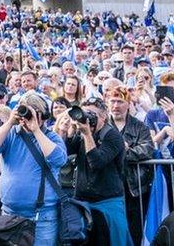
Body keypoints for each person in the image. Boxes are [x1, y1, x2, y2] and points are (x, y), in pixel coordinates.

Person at [0, 92, 67, 245]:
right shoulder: (11, 135)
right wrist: (9, 123)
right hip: (10, 213)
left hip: (42, 216)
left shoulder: (52, 137)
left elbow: (59, 159)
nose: (28, 117)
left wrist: (36, 130)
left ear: (44, 116)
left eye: (34, 113)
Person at [57, 98, 134, 246]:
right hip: (83, 201)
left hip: (107, 203)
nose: (87, 118)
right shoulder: (81, 132)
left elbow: (96, 163)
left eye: (92, 114)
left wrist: (87, 134)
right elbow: (63, 155)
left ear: (104, 117)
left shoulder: (112, 136)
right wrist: (66, 131)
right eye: (85, 114)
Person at [107, 86, 154, 245]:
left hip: (134, 188)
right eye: (112, 101)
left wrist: (123, 152)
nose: (115, 106)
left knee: (134, 232)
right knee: (111, 231)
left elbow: (148, 149)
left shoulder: (139, 126)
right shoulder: (103, 124)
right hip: (108, 187)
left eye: (120, 101)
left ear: (128, 104)